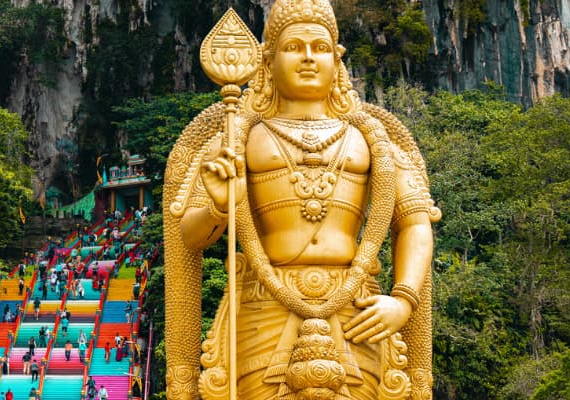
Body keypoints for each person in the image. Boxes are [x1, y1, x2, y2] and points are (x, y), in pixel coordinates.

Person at [161, 1, 439, 398]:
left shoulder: (373, 139)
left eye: (320, 47)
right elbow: (188, 235)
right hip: (263, 308)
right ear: (268, 61)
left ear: (336, 59)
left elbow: (414, 221)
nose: (308, 57)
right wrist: (219, 207)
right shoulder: (236, 137)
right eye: (294, 47)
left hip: (357, 310)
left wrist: (404, 298)